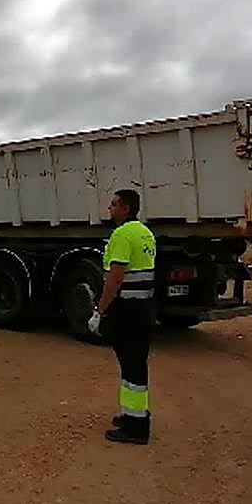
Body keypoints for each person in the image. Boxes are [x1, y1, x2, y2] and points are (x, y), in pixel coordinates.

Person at [88, 188, 157, 445]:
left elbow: (115, 278)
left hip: (127, 311)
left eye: (114, 204)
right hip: (143, 308)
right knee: (134, 364)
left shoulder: (122, 235)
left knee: (131, 366)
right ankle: (132, 415)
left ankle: (136, 428)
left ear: (125, 208)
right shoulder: (145, 233)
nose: (110, 209)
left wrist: (99, 310)